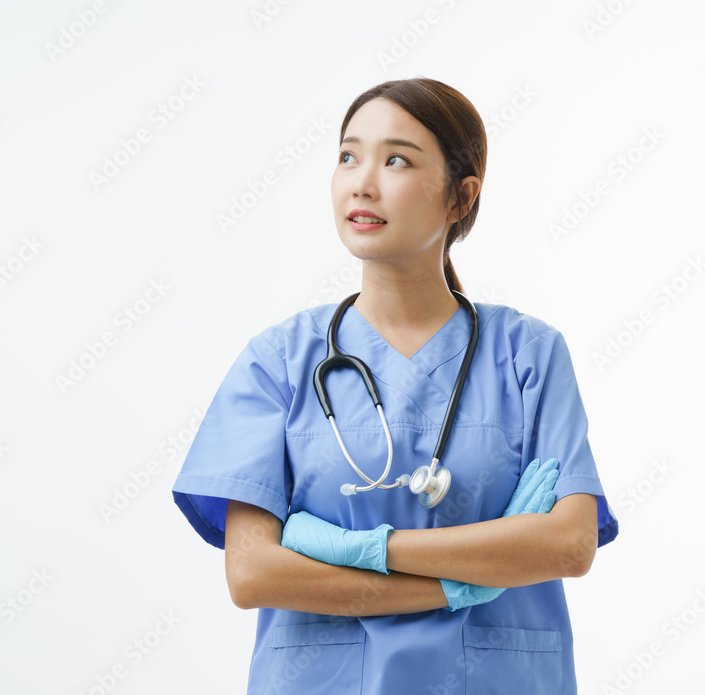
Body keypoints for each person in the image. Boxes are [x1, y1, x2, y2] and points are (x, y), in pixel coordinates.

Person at [171, 77, 618, 694]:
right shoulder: (278, 360)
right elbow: (252, 573)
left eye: (397, 160)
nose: (362, 181)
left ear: (461, 198)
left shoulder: (528, 355)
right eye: (348, 156)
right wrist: (471, 579)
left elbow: (568, 546)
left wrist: (352, 548)